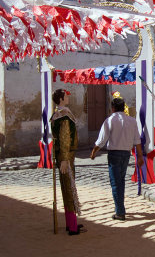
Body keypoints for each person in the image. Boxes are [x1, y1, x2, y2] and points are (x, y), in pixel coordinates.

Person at [90, 97, 144, 221]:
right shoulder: (132, 121)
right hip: (126, 154)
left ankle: (120, 212)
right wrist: (140, 156)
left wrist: (93, 152)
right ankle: (120, 208)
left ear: (112, 108)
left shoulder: (110, 120)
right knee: (121, 182)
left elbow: (101, 140)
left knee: (116, 183)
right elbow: (137, 140)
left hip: (114, 154)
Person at [50, 89, 85, 235]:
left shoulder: (58, 114)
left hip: (65, 155)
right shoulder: (63, 116)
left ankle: (72, 222)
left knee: (68, 187)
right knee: (68, 188)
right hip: (66, 156)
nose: (68, 97)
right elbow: (64, 139)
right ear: (61, 99)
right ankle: (71, 226)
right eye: (66, 96)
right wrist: (64, 159)